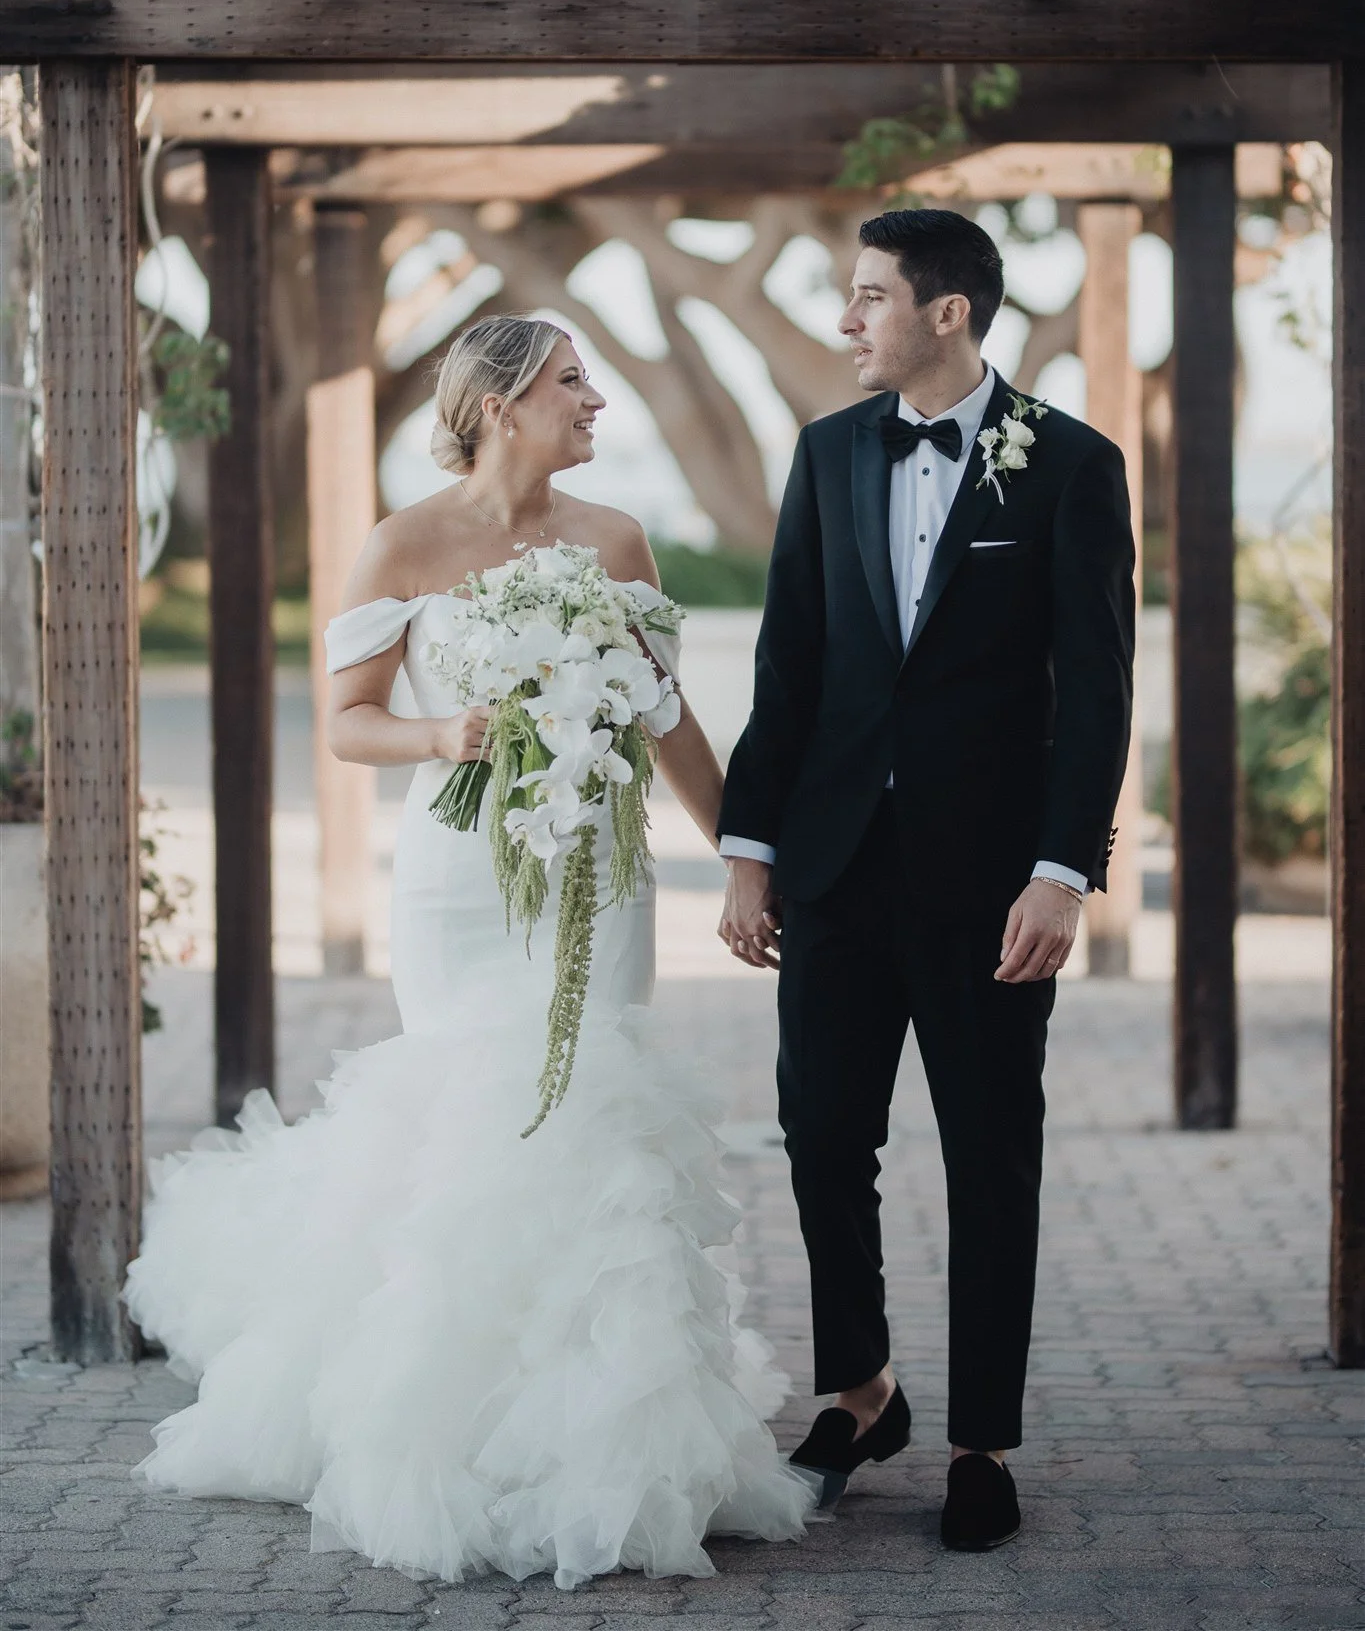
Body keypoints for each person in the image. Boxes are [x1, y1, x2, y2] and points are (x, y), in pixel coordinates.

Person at [124, 314, 814, 1592]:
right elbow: (346, 722)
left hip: (596, 880)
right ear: (499, 401)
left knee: (597, 1119)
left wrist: (745, 854)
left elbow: (668, 722)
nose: (596, 399)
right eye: (570, 381)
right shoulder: (402, 541)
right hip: (458, 882)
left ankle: (606, 1442)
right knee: (465, 1128)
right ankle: (453, 1426)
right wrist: (454, 738)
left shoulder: (615, 542)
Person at [718, 208, 1136, 1550]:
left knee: (988, 1156)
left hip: (991, 887)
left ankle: (981, 1445)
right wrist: (750, 852)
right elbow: (789, 665)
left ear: (944, 312)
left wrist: (1063, 872)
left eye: (868, 297)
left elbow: (1099, 692)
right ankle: (863, 1392)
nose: (847, 322)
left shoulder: (1071, 466)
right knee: (824, 1134)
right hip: (834, 873)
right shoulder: (828, 452)